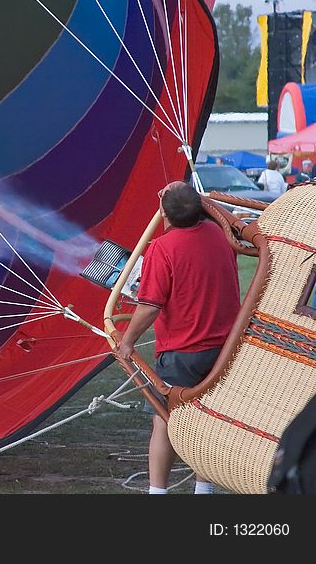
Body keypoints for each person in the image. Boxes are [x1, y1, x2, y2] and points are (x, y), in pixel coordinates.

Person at [117, 182, 240, 495]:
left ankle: (157, 492)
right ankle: (203, 488)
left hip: (183, 352)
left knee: (164, 421)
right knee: (204, 420)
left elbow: (149, 306)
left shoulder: (162, 248)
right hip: (225, 348)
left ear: (163, 213)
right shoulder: (219, 234)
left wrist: (127, 341)